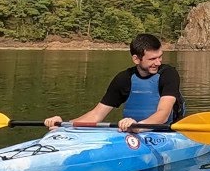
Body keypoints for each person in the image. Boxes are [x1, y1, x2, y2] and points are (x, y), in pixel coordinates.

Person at [44, 33, 186, 132]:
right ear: (136, 59)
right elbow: (96, 115)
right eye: (152, 59)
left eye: (160, 57)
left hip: (166, 132)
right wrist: (64, 125)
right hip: (131, 132)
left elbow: (163, 114)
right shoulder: (124, 79)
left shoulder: (168, 74)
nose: (158, 62)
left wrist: (138, 126)